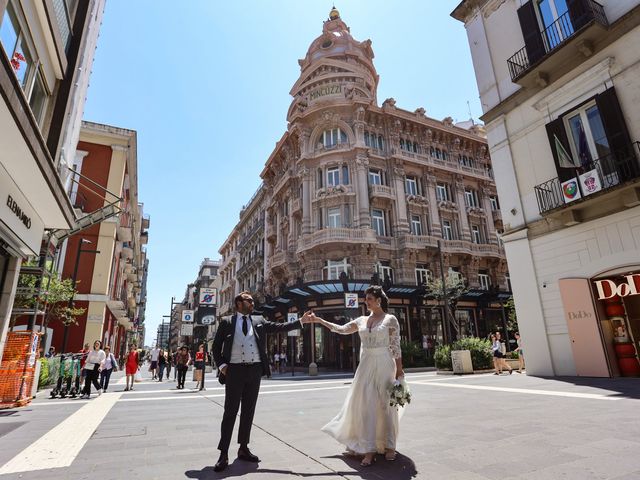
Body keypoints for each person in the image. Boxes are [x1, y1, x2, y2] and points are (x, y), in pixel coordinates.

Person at [303, 285, 404, 467]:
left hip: (384, 363)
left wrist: (400, 370)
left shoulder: (391, 319)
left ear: (379, 300)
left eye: (369, 299)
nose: (366, 301)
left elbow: (396, 346)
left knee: (386, 405)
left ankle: (390, 446)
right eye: (366, 299)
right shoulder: (361, 320)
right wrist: (319, 320)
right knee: (367, 407)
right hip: (365, 365)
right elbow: (340, 329)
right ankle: (369, 449)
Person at [211, 291, 311, 472]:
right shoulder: (227, 322)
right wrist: (222, 366)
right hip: (234, 371)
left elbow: (279, 327)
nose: (252, 303)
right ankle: (223, 452)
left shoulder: (259, 321)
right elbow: (216, 347)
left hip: (254, 370)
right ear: (239, 303)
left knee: (248, 411)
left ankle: (243, 448)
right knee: (230, 412)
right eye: (249, 300)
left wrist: (300, 321)